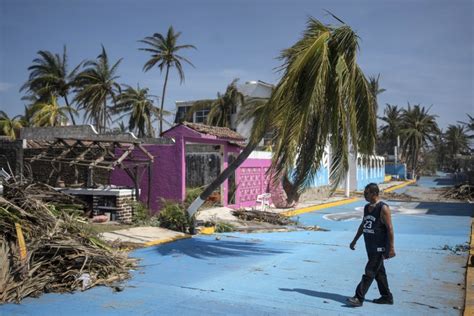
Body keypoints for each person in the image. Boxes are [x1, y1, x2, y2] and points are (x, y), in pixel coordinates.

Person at [347, 183, 395, 307]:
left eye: (366, 193)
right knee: (379, 274)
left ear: (374, 193)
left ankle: (358, 298)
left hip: (379, 247)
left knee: (370, 272)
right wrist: (354, 240)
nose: (364, 195)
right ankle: (386, 297)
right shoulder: (366, 207)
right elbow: (364, 225)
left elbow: (390, 229)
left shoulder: (383, 208)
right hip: (370, 246)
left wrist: (391, 248)